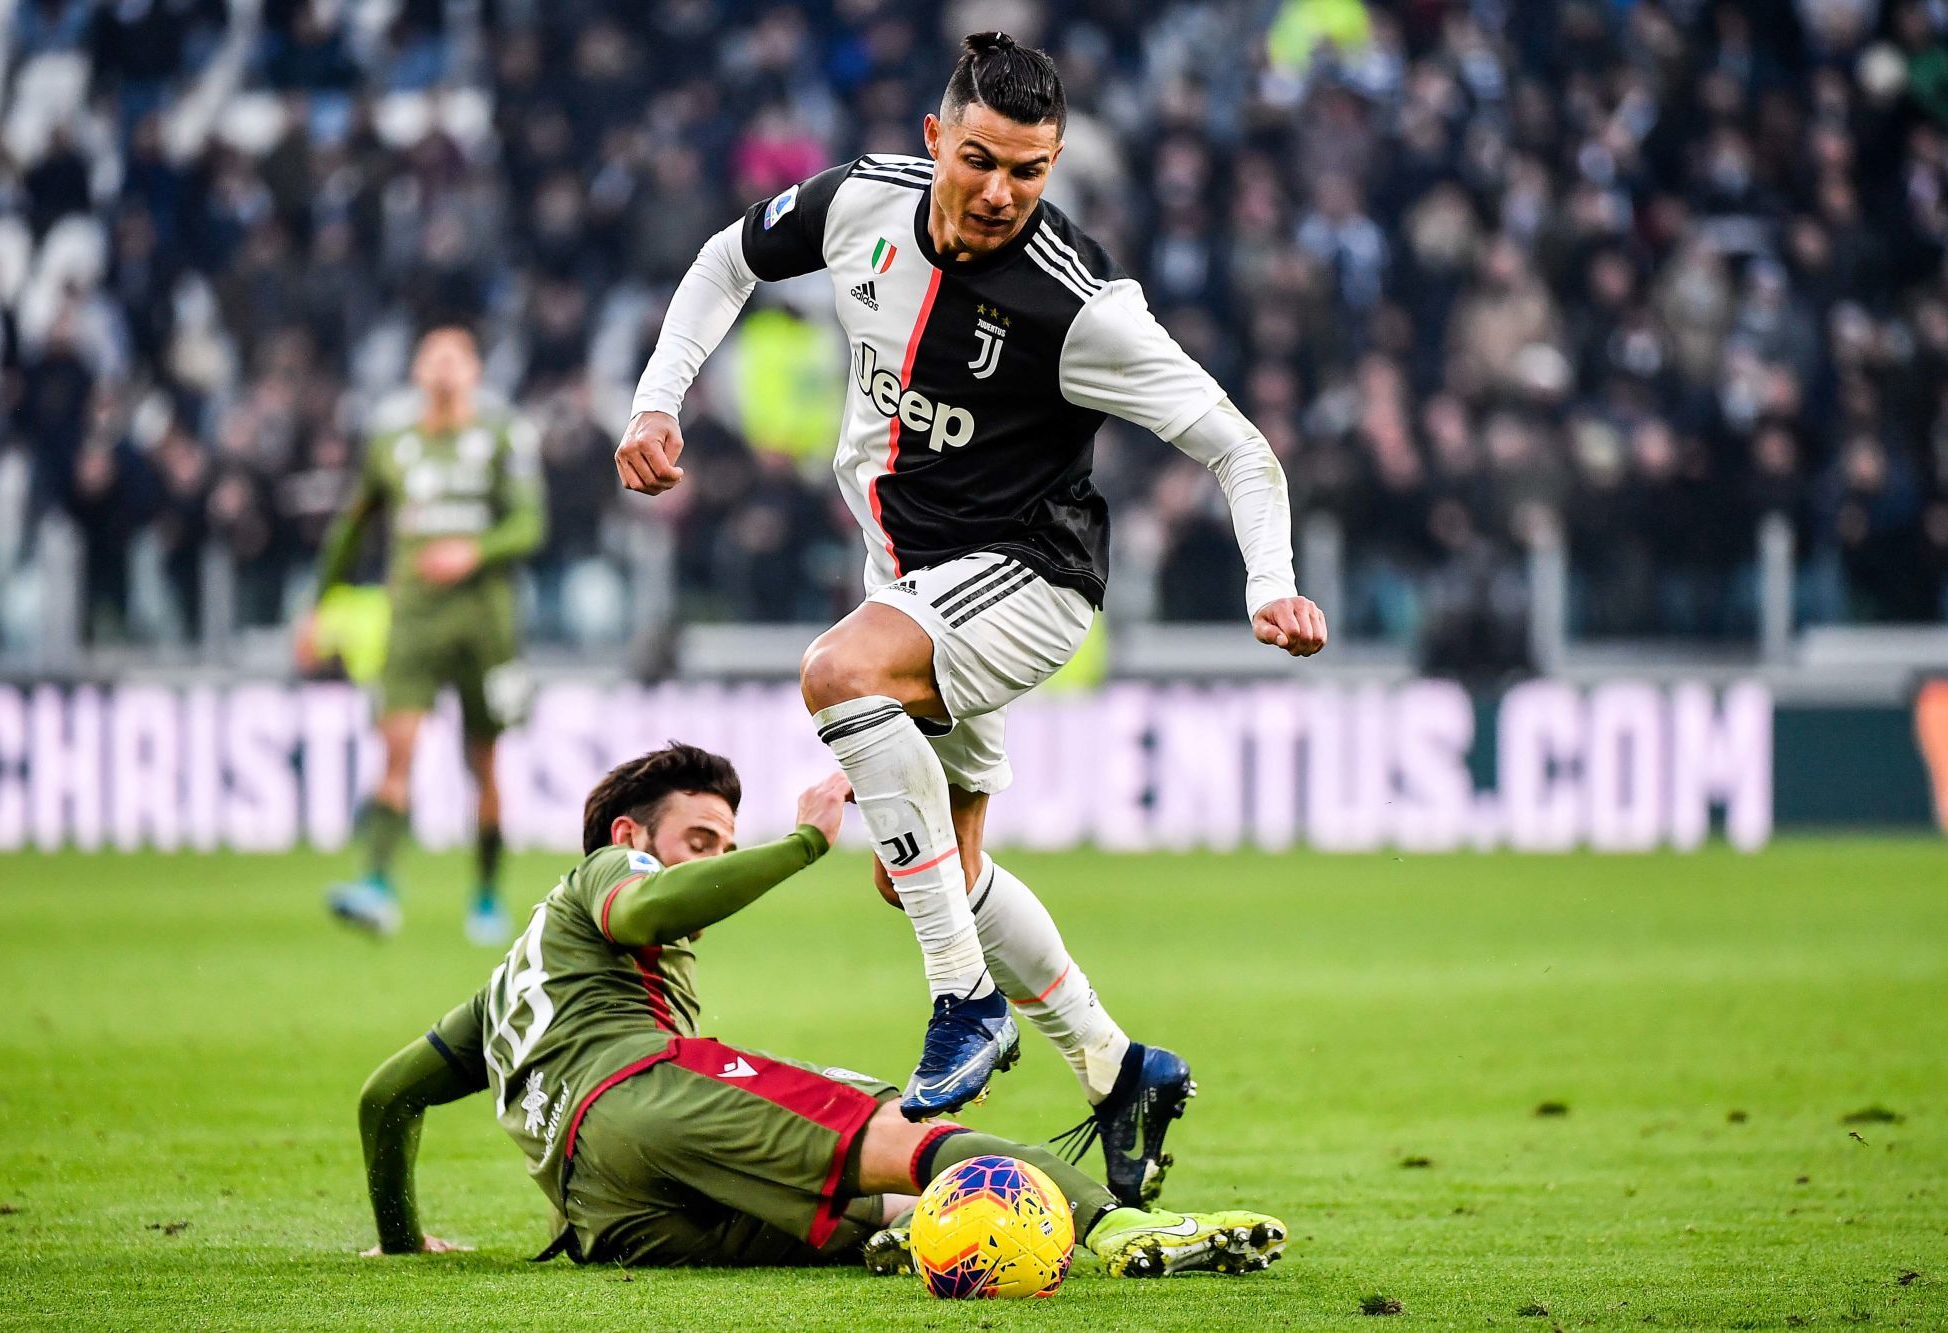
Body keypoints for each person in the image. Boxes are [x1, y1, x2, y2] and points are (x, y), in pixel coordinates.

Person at [616, 32, 1328, 1184]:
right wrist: (658, 402)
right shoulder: (859, 205)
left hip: (1031, 578)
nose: (1002, 193)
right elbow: (723, 261)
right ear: (936, 139)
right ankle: (1114, 1063)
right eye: (983, 160)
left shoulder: (1080, 307)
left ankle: (964, 1002)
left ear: (1055, 168)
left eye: (1031, 170)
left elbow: (1242, 450)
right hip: (911, 576)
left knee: (837, 675)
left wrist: (1271, 583)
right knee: (928, 866)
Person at [354, 743, 1288, 1278]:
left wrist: (402, 1244)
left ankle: (925, 1234)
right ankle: (1122, 1225)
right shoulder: (608, 871)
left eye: (724, 841)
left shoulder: (513, 984)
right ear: (630, 834)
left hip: (604, 1216)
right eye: (698, 840)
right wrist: (801, 841)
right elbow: (640, 904)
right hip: (638, 1094)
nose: (711, 857)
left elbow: (385, 1096)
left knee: (862, 1217)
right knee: (895, 1128)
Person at [299, 325, 547, 945]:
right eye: (432, 358)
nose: (443, 369)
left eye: (455, 358)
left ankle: (487, 895)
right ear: (416, 371)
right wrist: (319, 605)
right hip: (412, 618)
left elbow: (529, 525)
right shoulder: (391, 443)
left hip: (485, 623)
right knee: (398, 747)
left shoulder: (501, 436)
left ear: (474, 371)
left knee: (484, 762)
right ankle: (377, 887)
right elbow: (353, 527)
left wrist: (474, 551)